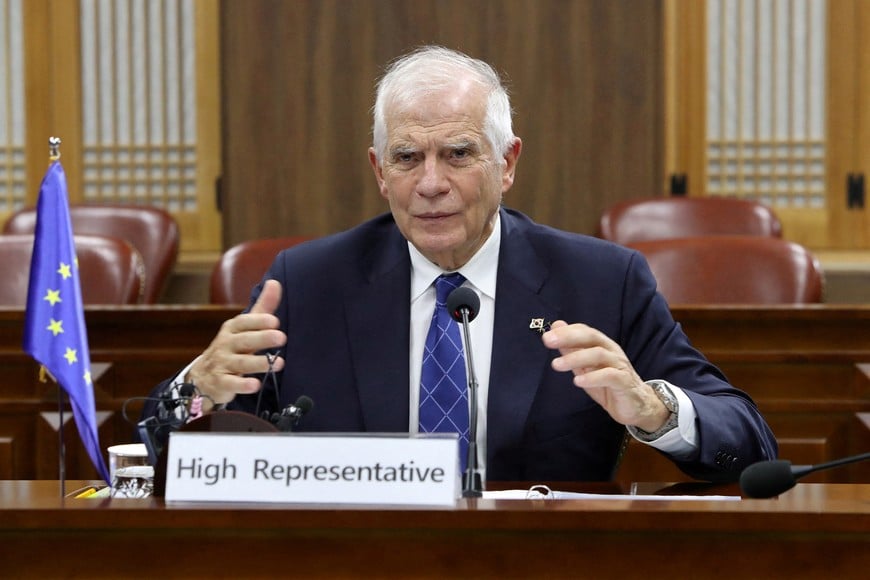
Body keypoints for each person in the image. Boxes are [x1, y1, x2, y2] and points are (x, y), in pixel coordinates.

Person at [142, 45, 776, 482]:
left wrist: (655, 409)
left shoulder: (601, 281)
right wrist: (193, 393)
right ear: (378, 172)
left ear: (507, 164)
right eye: (408, 157)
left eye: (458, 153)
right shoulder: (307, 284)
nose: (431, 183)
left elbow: (747, 441)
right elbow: (165, 454)